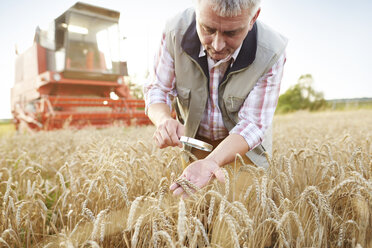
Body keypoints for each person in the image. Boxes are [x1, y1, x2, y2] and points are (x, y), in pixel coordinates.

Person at [144, 0, 287, 196]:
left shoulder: (271, 52)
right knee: (196, 212)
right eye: (208, 29)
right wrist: (164, 120)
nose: (218, 45)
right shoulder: (174, 32)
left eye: (231, 33)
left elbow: (253, 124)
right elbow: (157, 88)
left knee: (239, 212)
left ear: (253, 18)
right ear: (197, 10)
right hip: (196, 143)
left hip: (243, 148)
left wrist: (212, 161)